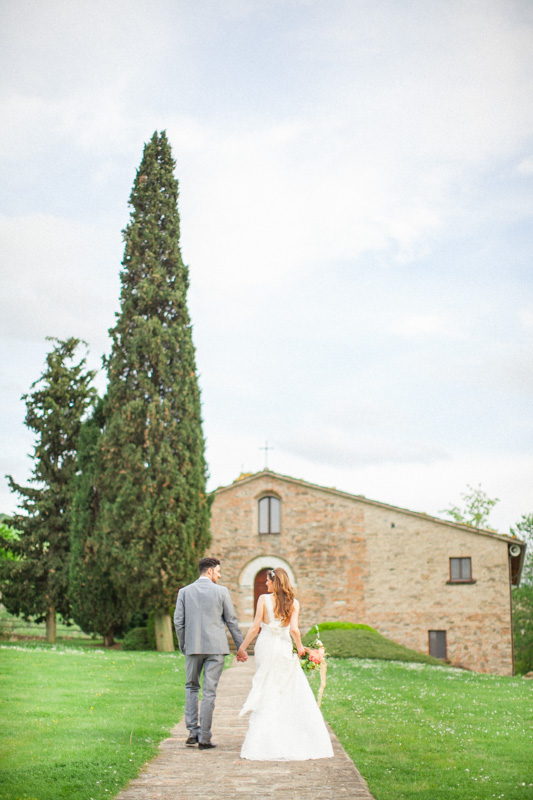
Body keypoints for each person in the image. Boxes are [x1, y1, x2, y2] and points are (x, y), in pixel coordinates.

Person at [237, 567, 334, 761]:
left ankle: (264, 740)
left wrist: (242, 648)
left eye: (268, 581)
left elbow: (255, 627)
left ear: (275, 582)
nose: (266, 583)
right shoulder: (293, 602)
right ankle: (289, 733)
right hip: (283, 646)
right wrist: (300, 648)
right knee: (285, 687)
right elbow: (294, 630)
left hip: (266, 646)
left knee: (267, 685)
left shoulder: (263, 599)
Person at [174, 557, 247, 750]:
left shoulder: (184, 592)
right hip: (216, 648)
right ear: (209, 571)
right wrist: (240, 647)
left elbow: (178, 622)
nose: (220, 575)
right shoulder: (222, 592)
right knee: (209, 692)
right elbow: (231, 620)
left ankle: (193, 733)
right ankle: (205, 738)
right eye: (218, 571)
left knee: (191, 687)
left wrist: (183, 645)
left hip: (193, 646)